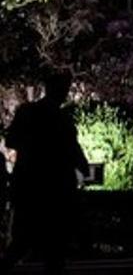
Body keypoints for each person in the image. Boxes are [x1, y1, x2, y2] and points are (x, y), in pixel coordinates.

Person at [0, 72, 88, 274]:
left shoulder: (27, 112)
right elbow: (73, 149)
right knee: (54, 246)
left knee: (22, 241)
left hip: (29, 185)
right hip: (56, 187)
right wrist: (82, 168)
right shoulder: (62, 118)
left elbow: (12, 141)